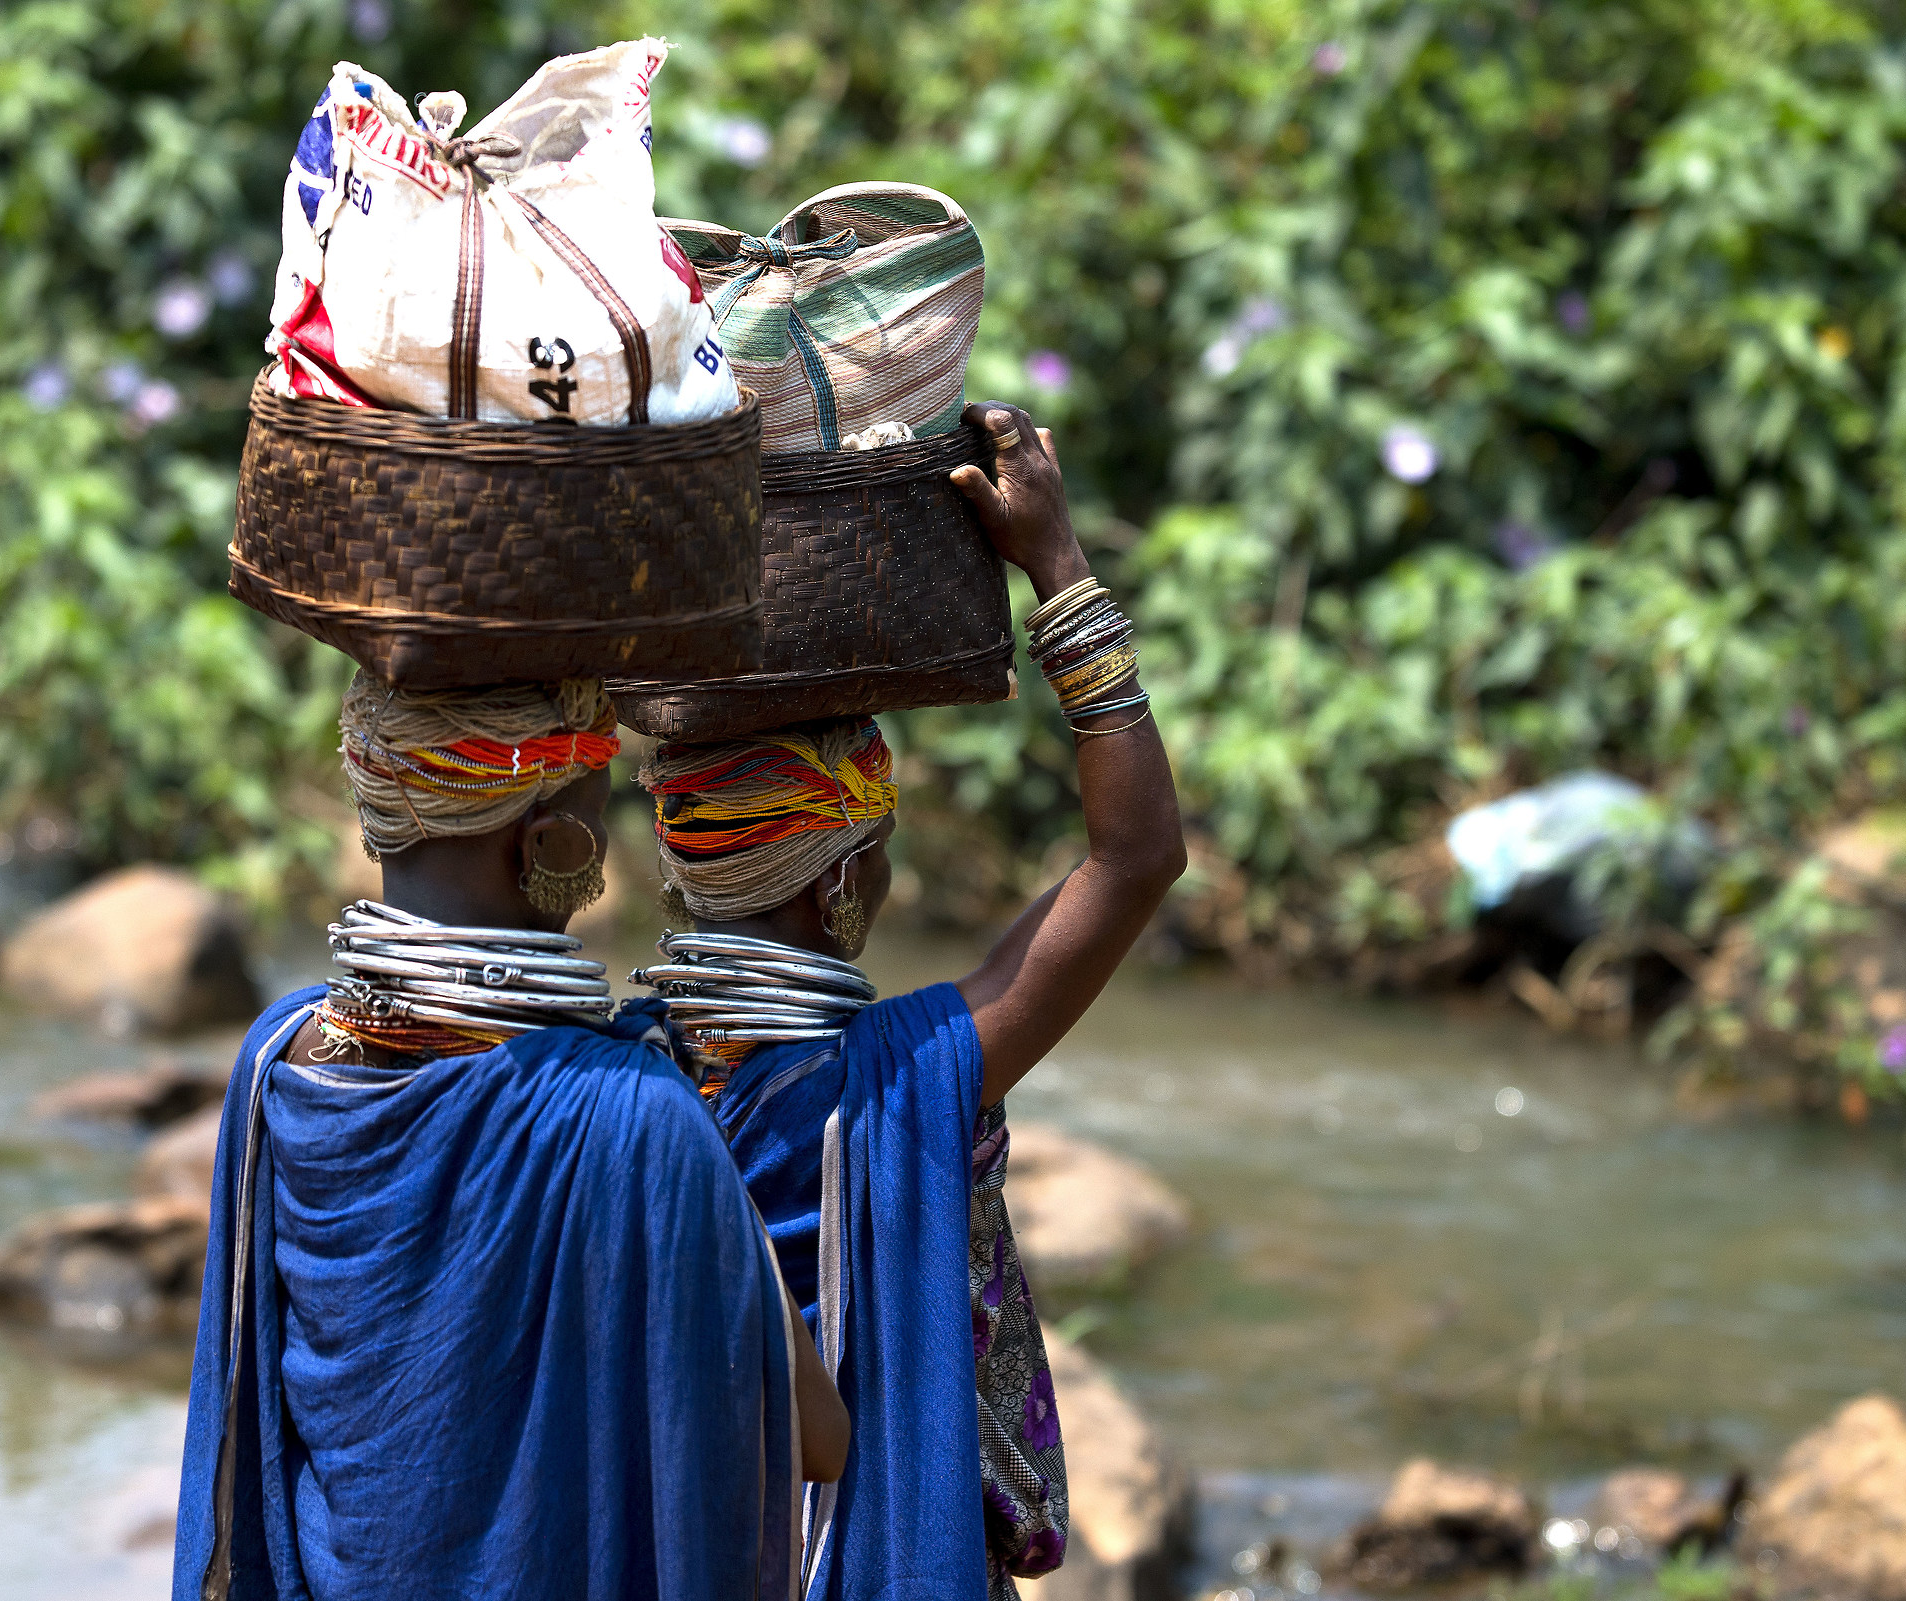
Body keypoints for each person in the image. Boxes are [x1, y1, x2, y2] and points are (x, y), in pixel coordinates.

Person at [634, 403, 1187, 1601]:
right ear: (841, 883)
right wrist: (1061, 570)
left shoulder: (613, 1077)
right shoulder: (907, 1074)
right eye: (876, 847)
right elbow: (1136, 857)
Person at [174, 674, 847, 1601]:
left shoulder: (280, 1054)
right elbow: (818, 1438)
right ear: (551, 845)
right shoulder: (633, 1113)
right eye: (599, 816)